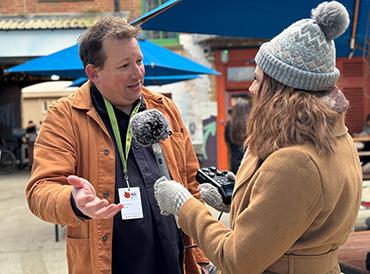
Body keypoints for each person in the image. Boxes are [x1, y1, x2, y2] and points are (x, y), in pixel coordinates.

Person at [154, 2, 362, 273]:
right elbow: (297, 215)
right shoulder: (331, 137)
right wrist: (237, 195)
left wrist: (185, 206)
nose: (251, 88)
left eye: (257, 78)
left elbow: (238, 259)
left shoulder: (296, 161)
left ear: (280, 88)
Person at [26, 17, 208, 274]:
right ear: (93, 73)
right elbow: (39, 191)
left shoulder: (164, 109)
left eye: (139, 61)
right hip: (108, 265)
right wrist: (74, 201)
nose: (138, 73)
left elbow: (191, 184)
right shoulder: (64, 117)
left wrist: (199, 256)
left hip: (173, 261)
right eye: (124, 66)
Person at [224, 99, 250, 173]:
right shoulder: (252, 125)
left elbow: (228, 147)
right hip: (248, 163)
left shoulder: (229, 125)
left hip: (234, 163)